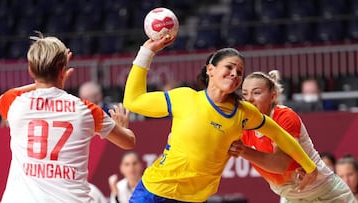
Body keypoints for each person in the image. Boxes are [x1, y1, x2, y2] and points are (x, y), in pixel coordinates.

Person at [123, 35, 318, 203]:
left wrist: (310, 167)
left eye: (240, 72)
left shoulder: (243, 113)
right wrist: (147, 52)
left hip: (194, 199)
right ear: (210, 70)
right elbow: (133, 101)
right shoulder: (184, 98)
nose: (235, 74)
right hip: (154, 192)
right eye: (229, 67)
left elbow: (279, 133)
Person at [0, 33, 136, 202]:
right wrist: (123, 128)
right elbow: (128, 141)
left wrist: (43, 79)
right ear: (62, 70)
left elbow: (6, 96)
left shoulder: (13, 103)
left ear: (30, 70)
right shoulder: (86, 110)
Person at [228, 70, 355, 202]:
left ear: (273, 96)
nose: (249, 99)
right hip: (292, 198)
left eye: (256, 93)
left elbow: (280, 164)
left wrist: (243, 150)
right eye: (244, 94)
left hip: (327, 193)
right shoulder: (242, 123)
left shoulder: (285, 117)